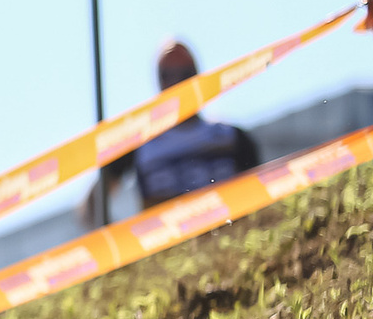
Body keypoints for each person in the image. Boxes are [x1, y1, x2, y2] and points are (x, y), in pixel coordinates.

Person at [90, 38, 260, 217]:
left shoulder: (231, 137)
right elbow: (93, 205)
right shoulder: (139, 146)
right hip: (169, 240)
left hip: (227, 236)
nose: (177, 82)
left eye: (185, 74)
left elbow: (261, 193)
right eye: (167, 74)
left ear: (197, 76)